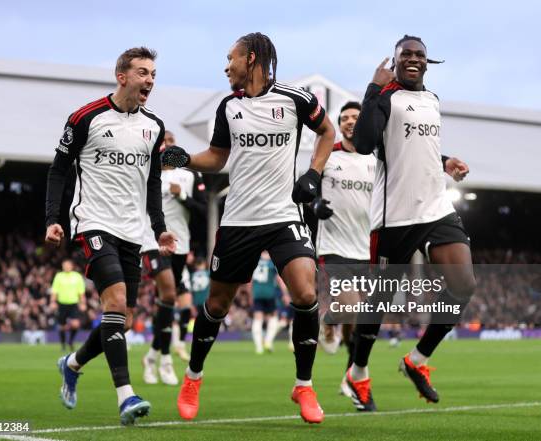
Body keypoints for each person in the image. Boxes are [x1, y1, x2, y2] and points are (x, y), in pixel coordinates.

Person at [162, 32, 335, 424]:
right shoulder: (229, 107)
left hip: (283, 216)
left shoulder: (296, 99)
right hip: (239, 219)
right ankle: (193, 377)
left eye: (231, 59)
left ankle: (304, 385)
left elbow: (328, 133)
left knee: (307, 293)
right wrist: (184, 158)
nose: (226, 66)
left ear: (251, 59)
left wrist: (313, 173)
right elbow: (217, 157)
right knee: (217, 305)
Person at [45, 47, 176, 425]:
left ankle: (71, 364)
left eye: (153, 73)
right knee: (115, 302)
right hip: (94, 222)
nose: (150, 79)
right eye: (142, 72)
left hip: (133, 231)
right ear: (122, 77)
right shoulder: (85, 117)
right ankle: (126, 396)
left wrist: (160, 227)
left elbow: (153, 182)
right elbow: (58, 170)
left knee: (123, 317)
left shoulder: (153, 126)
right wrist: (54, 218)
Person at [349, 35, 476, 408]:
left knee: (463, 285)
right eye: (406, 54)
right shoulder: (386, 97)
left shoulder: (432, 101)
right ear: (395, 60)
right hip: (396, 216)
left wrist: (446, 160)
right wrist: (373, 87)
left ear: (427, 62)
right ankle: (357, 372)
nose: (413, 59)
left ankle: (417, 360)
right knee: (380, 302)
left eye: (419, 55)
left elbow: (420, 150)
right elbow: (364, 142)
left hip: (436, 208)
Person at [310, 101, 376, 409]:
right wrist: (314, 206)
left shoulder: (376, 160)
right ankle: (329, 318)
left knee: (357, 326)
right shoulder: (329, 153)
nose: (349, 121)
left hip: (366, 250)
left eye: (355, 117)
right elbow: (304, 189)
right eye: (344, 118)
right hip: (333, 249)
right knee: (359, 311)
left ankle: (349, 375)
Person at [141, 130, 207, 384]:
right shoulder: (148, 175)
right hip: (152, 243)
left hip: (180, 245)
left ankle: (151, 356)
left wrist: (182, 195)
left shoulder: (190, 176)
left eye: (170, 142)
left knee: (165, 303)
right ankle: (166, 360)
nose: (166, 146)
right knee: (168, 295)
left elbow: (203, 210)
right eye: (162, 142)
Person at [250, 251, 283, 354]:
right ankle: (268, 341)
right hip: (269, 293)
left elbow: (249, 280)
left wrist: (251, 294)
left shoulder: (254, 262)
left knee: (257, 318)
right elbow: (279, 279)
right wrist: (285, 293)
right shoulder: (272, 263)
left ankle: (258, 347)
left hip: (257, 294)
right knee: (273, 316)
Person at [50, 258, 87, 352]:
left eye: (68, 265)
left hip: (73, 304)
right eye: (64, 265)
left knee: (75, 324)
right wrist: (53, 302)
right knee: (61, 326)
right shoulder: (59, 276)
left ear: (72, 266)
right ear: (62, 266)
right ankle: (63, 344)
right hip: (61, 304)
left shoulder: (77, 276)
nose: (66, 266)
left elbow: (81, 293)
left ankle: (70, 341)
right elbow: (54, 291)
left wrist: (83, 303)